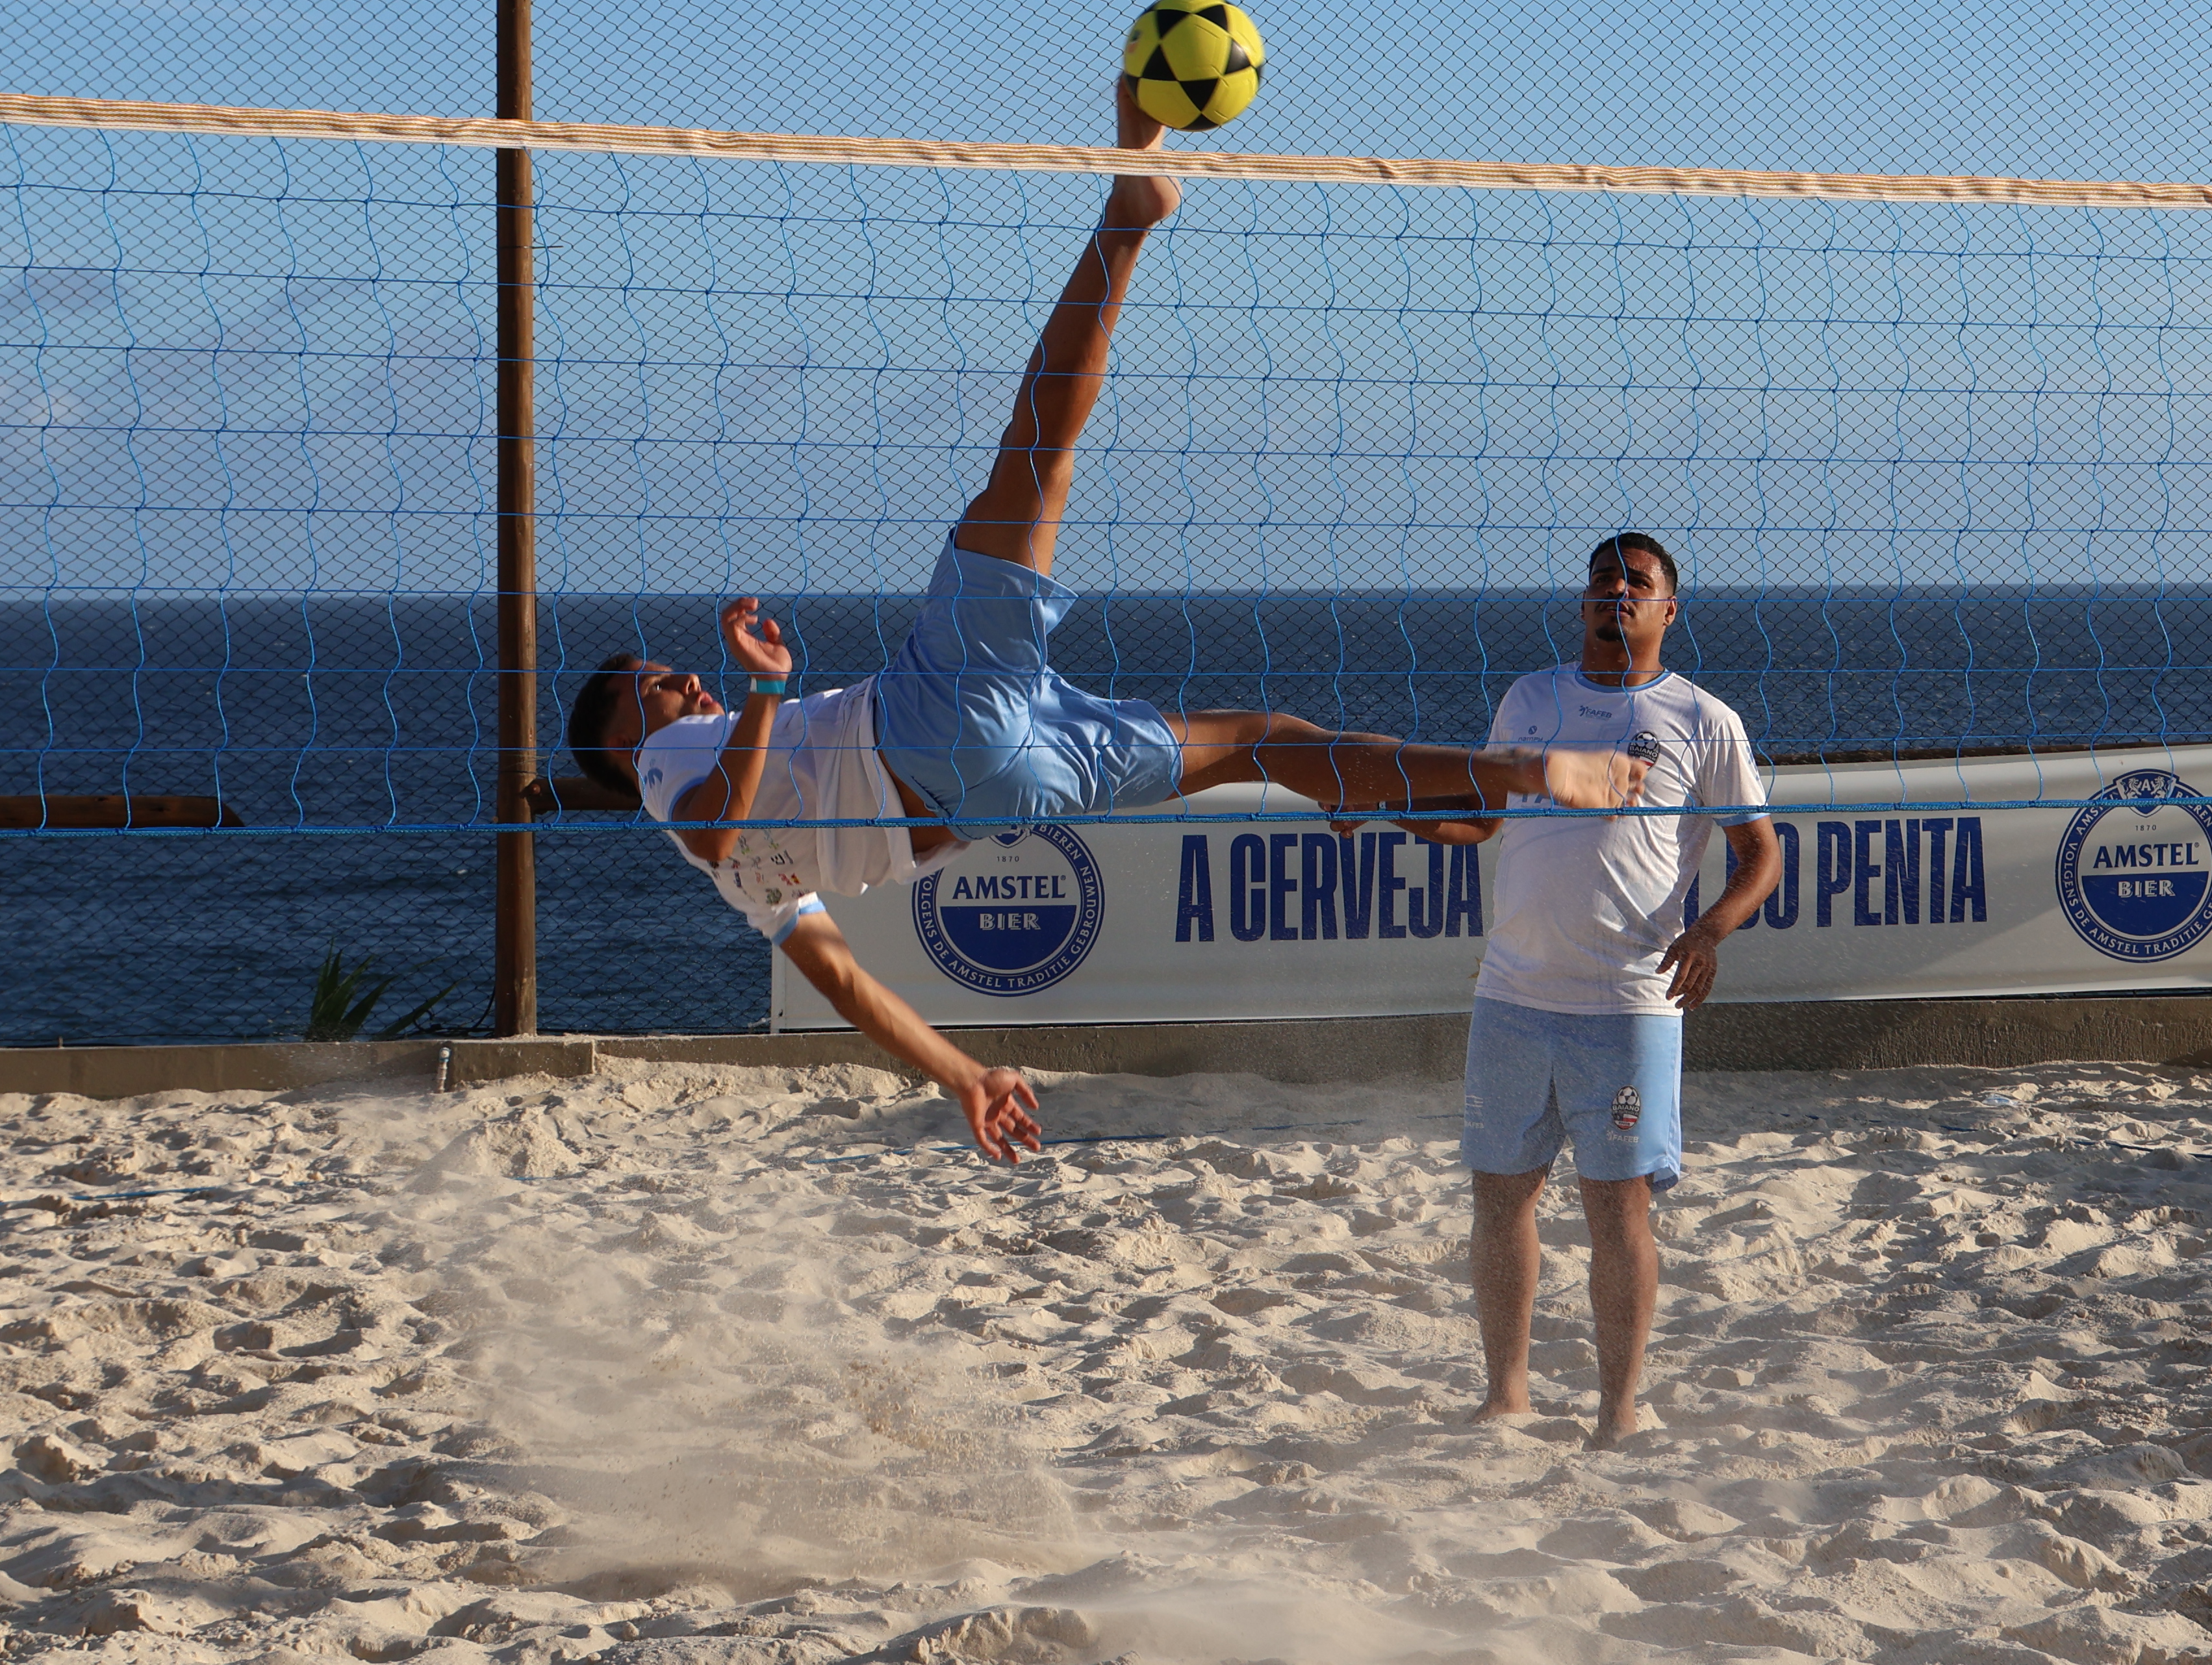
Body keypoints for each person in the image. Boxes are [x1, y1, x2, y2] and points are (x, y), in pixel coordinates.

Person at [564, 88, 1650, 1162]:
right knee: (1033, 455)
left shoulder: (754, 882)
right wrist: (756, 692)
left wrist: (966, 1078)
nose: (687, 689)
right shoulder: (672, 771)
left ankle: (1487, 785)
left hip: (1000, 790)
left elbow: (846, 985)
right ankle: (1125, 222)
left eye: (682, 684)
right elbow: (712, 819)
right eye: (663, 687)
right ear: (628, 744)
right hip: (929, 719)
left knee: (1263, 741)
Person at [1379, 533, 1781, 1447]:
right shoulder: (1532, 697)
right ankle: (1507, 1395)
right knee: (1501, 1196)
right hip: (1514, 994)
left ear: (1668, 612)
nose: (1617, 592)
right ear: (1585, 603)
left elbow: (1762, 854)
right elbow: (1479, 819)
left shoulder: (1702, 719)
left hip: (1630, 1001)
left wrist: (1711, 930)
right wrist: (1387, 809)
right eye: (1604, 580)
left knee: (1617, 1208)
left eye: (1637, 583)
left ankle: (1619, 1412)